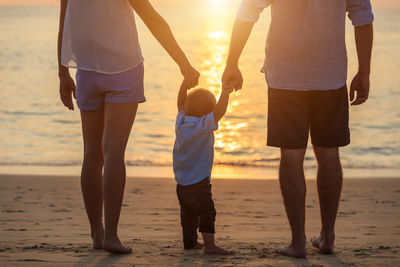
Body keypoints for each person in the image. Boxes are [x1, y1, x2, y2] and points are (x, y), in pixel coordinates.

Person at [222, 0, 374, 258]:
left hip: (286, 76)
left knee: (291, 157)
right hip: (330, 75)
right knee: (328, 155)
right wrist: (364, 71)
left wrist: (232, 62)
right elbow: (362, 16)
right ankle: (327, 236)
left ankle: (298, 242)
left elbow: (247, 12)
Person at [57, 0, 199, 254]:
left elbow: (64, 20)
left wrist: (62, 73)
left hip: (87, 71)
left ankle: (97, 234)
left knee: (91, 153)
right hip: (123, 68)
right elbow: (152, 19)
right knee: (113, 152)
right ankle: (111, 234)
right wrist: (183, 63)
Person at [173, 80, 234, 255]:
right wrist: (226, 91)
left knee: (188, 214)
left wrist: (184, 84)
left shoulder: (181, 121)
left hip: (182, 181)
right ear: (208, 112)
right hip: (199, 181)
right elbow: (220, 111)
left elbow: (179, 103)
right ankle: (210, 246)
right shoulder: (203, 125)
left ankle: (190, 242)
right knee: (207, 212)